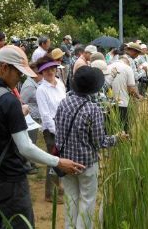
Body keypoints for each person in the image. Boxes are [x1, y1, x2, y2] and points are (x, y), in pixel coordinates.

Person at [0, 46, 84, 229]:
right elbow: (26, 148)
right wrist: (58, 162)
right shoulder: (9, 101)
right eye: (18, 72)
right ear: (5, 67)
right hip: (10, 178)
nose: (21, 78)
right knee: (22, 224)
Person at [55, 66, 117, 229]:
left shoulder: (64, 102)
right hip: (86, 163)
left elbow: (58, 133)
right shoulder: (92, 109)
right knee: (87, 200)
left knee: (71, 198)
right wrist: (117, 139)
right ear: (94, 88)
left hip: (66, 162)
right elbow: (99, 142)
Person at [35, 55, 66, 203]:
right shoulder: (41, 90)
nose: (50, 71)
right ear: (41, 72)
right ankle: (51, 194)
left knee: (62, 158)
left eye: (52, 68)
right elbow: (46, 116)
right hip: (51, 130)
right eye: (45, 70)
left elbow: (65, 103)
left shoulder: (60, 83)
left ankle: (59, 188)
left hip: (63, 125)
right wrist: (57, 132)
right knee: (53, 160)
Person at [106, 51, 140, 133]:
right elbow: (131, 89)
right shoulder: (127, 68)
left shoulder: (108, 66)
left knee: (109, 126)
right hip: (122, 102)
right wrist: (138, 96)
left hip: (108, 102)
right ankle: (125, 143)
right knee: (124, 127)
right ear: (127, 62)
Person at [20, 62, 43, 174]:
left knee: (32, 141)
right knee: (29, 141)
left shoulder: (34, 83)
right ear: (35, 74)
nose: (42, 76)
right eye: (40, 73)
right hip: (30, 117)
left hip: (34, 116)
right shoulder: (29, 85)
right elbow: (22, 100)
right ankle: (26, 165)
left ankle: (30, 162)